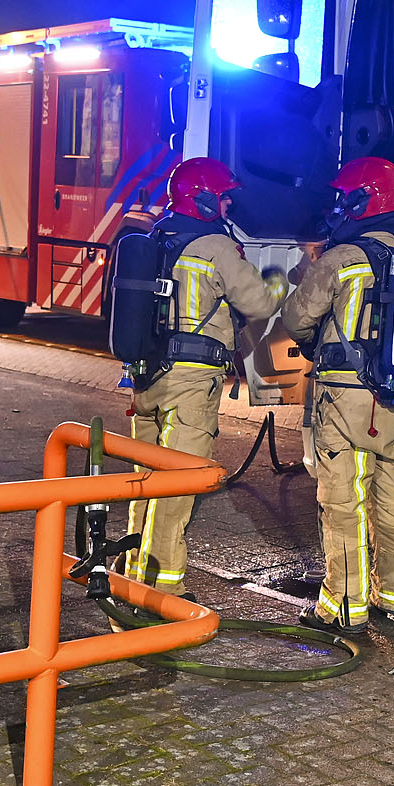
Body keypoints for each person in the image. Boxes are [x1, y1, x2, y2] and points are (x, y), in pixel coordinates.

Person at [123, 157, 282, 595]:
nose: (229, 204)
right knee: (176, 488)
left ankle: (132, 570)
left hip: (146, 378)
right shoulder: (215, 246)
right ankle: (160, 593)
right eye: (224, 197)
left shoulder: (157, 236)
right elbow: (259, 304)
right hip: (190, 384)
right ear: (205, 200)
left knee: (145, 481)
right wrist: (277, 280)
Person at [281, 157, 394, 637]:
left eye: (345, 198)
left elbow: (296, 319)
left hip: (343, 397)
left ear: (363, 202)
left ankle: (343, 607)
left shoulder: (341, 259)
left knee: (343, 501)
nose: (338, 207)